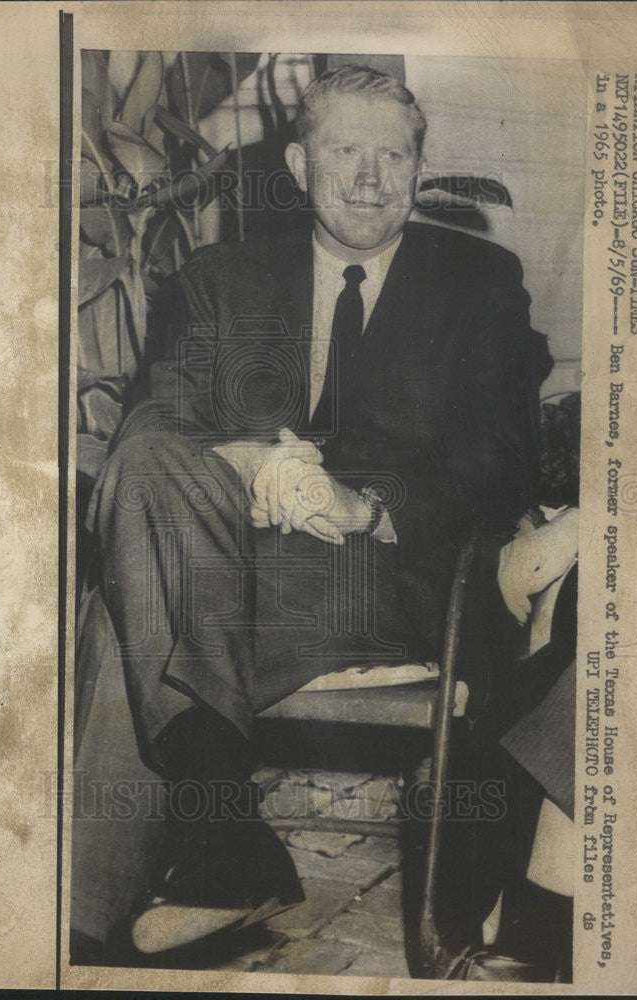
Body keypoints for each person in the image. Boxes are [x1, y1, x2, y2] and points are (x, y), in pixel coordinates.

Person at [84, 64, 549, 955]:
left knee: (129, 622)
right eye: (345, 151)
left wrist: (362, 506)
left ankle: (131, 906)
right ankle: (217, 852)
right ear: (298, 165)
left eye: (392, 154)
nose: (369, 178)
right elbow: (164, 422)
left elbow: (500, 467)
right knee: (145, 456)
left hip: (389, 578)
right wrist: (255, 460)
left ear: (418, 169)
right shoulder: (222, 276)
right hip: (234, 563)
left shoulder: (480, 281)